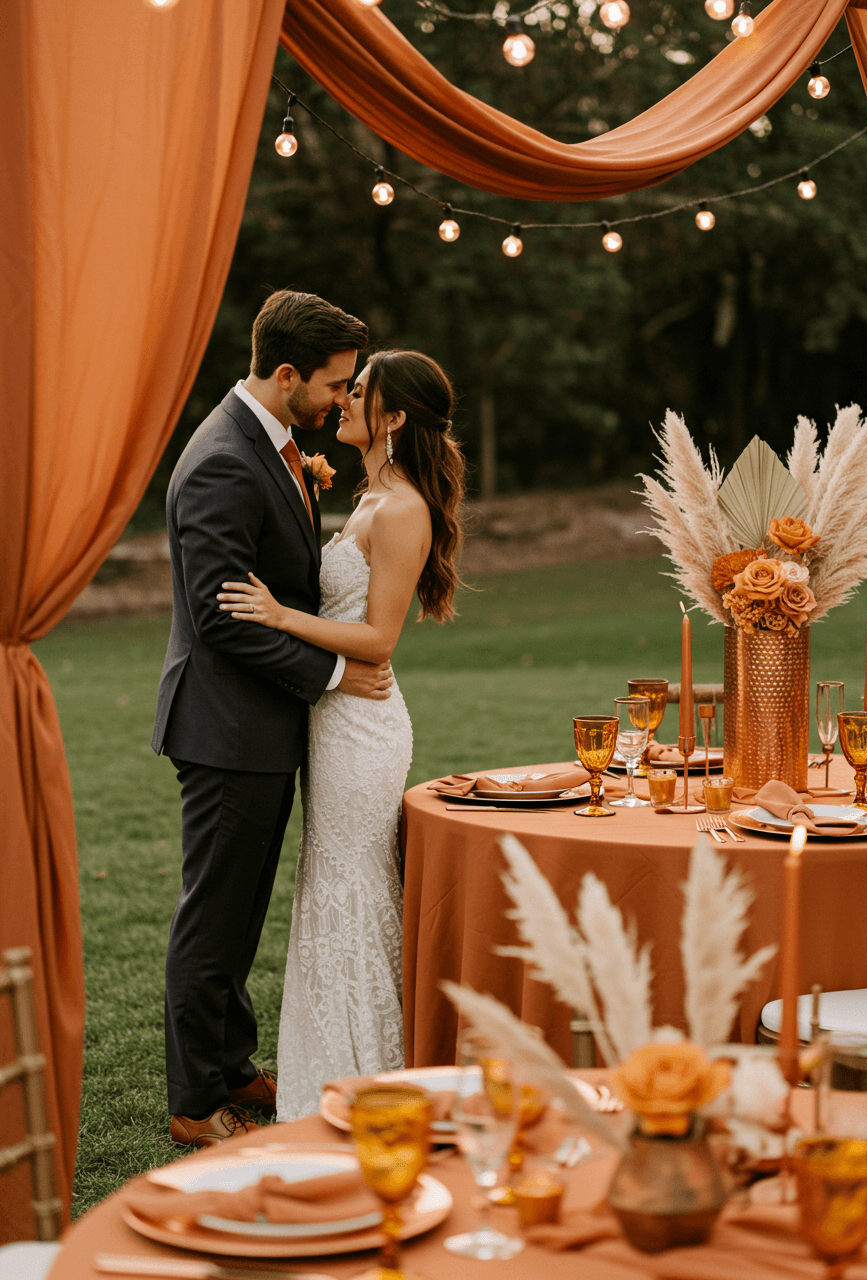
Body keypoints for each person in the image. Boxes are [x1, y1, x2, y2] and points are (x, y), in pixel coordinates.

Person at [152, 291, 394, 1148]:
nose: (340, 401)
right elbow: (221, 618)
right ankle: (192, 1100)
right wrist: (332, 670)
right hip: (225, 728)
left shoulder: (273, 444)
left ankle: (229, 1064)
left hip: (257, 725)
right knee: (214, 916)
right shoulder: (223, 458)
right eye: (333, 386)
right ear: (286, 375)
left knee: (244, 906)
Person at [216, 349, 466, 1119]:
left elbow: (380, 640)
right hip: (332, 720)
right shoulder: (368, 497)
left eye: (362, 392)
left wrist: (282, 616)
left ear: (393, 417)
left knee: (352, 890)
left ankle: (370, 1074)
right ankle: (334, 1071)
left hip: (362, 728)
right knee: (330, 887)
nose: (346, 400)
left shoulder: (403, 510)